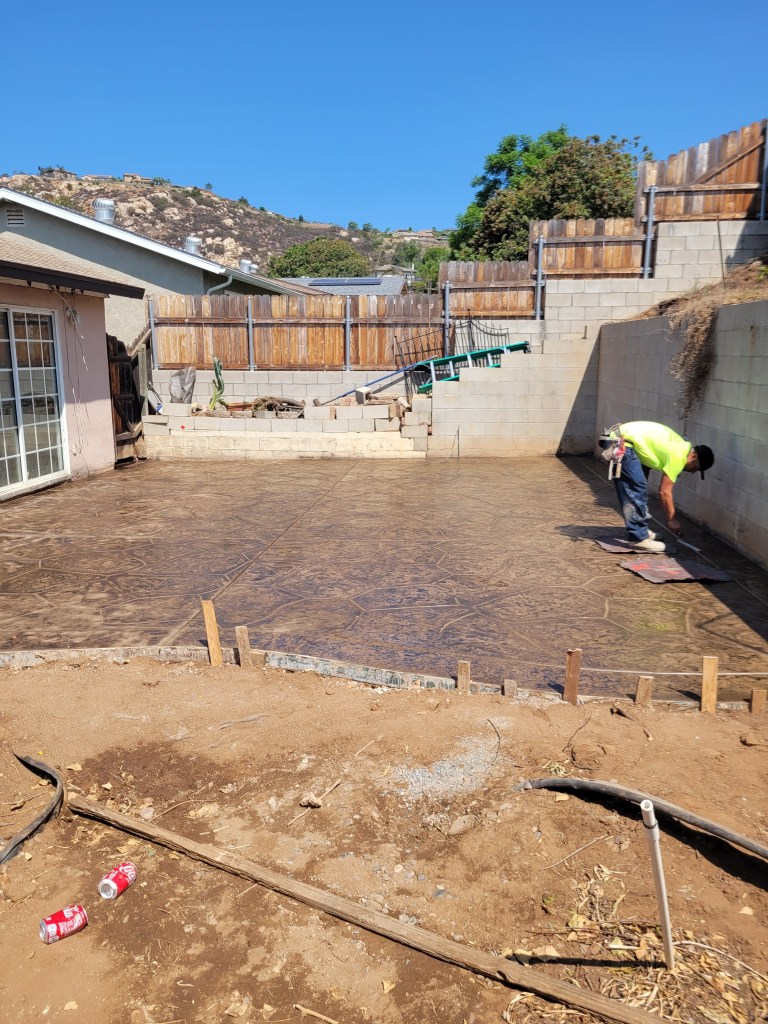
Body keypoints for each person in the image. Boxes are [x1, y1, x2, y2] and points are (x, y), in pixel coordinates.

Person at [600, 421, 714, 553]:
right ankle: (638, 538)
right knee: (636, 490)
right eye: (694, 468)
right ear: (693, 457)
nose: (692, 471)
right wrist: (672, 520)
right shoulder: (680, 455)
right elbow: (664, 492)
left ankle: (640, 530)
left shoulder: (681, 446)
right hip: (622, 444)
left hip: (621, 441)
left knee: (637, 489)